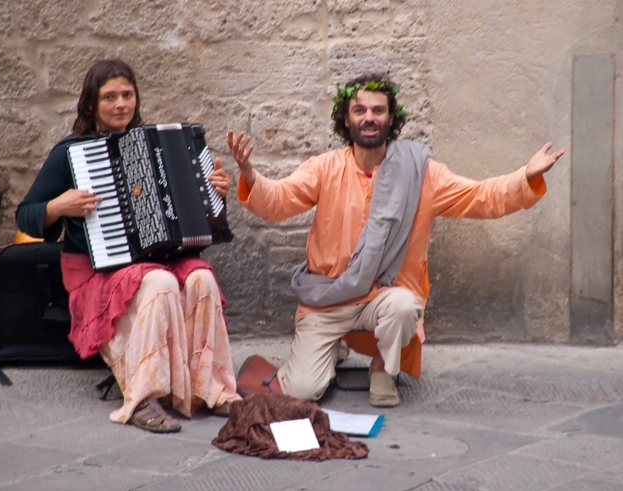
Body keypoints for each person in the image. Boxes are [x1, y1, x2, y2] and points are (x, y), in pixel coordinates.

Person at [227, 74, 564, 408]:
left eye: (378, 110)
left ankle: (383, 369)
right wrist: (251, 175)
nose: (369, 117)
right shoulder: (325, 168)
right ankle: (331, 349)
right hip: (327, 299)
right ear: (346, 119)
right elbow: (278, 201)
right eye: (359, 110)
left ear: (391, 118)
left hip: (383, 297)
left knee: (405, 306)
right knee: (301, 391)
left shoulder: (420, 173)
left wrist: (526, 176)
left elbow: (479, 197)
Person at [16, 59, 238, 433]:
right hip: (96, 266)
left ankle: (212, 389)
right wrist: (59, 206)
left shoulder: (157, 143)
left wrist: (213, 193)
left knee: (201, 277)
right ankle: (142, 398)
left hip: (161, 256)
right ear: (90, 104)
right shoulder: (71, 153)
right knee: (158, 284)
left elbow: (190, 207)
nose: (121, 104)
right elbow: (26, 214)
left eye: (127, 95)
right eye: (109, 97)